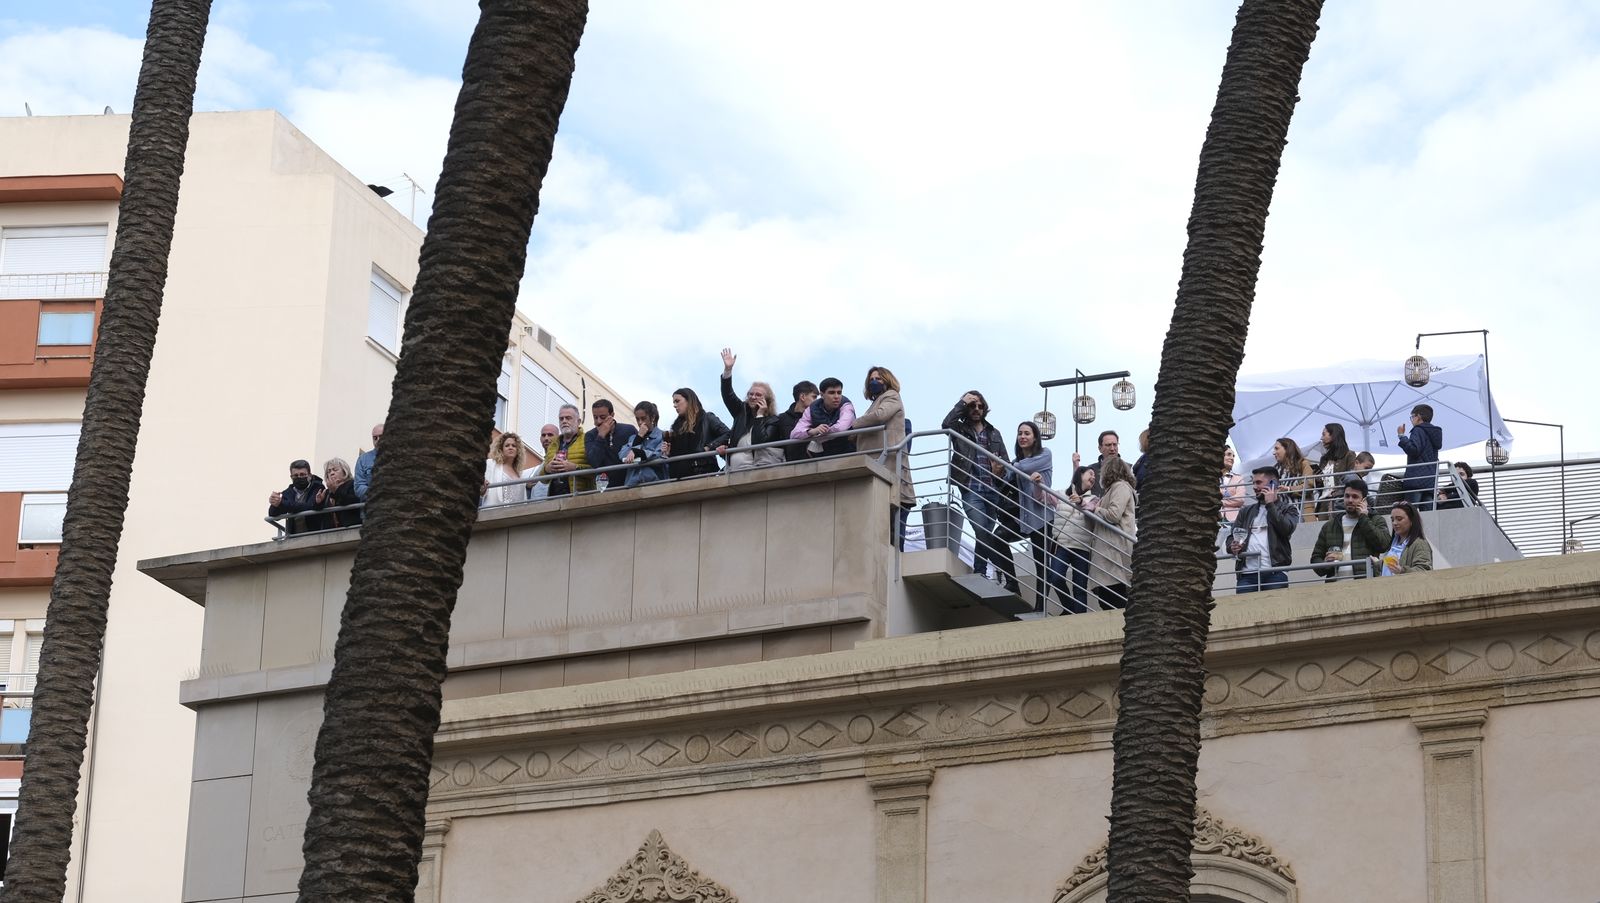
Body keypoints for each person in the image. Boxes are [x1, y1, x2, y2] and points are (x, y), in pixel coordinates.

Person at [941, 390, 1016, 591]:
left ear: (984, 408)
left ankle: (980, 570)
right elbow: (945, 424)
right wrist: (961, 402)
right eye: (971, 405)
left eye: (979, 405)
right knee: (982, 531)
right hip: (971, 488)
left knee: (984, 534)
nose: (975, 409)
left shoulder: (994, 433)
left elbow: (1007, 463)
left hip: (992, 491)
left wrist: (1001, 470)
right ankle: (1006, 572)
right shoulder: (959, 428)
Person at [851, 366, 915, 546]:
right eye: (872, 379)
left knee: (894, 536)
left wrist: (852, 426)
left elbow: (880, 416)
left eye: (879, 379)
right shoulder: (876, 401)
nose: (874, 382)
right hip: (881, 465)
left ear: (887, 380)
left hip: (890, 466)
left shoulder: (891, 396)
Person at [1225, 466, 1298, 593]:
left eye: (1258, 482)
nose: (1254, 487)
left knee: (1275, 610)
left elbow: (1286, 529)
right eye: (1253, 482)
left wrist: (1270, 505)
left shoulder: (1288, 509)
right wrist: (1232, 546)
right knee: (1244, 611)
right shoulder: (1245, 511)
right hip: (1247, 574)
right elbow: (1231, 537)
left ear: (1273, 484)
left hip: (1275, 573)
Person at [1010, 421, 1054, 612]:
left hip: (1043, 518)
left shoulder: (1045, 454)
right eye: (1020, 433)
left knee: (1042, 564)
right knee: (997, 539)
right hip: (1025, 519)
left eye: (1027, 433)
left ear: (1035, 437)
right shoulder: (1017, 463)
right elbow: (1005, 477)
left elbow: (1024, 468)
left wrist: (1011, 466)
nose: (1023, 437)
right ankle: (1012, 584)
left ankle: (1040, 607)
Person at [1310, 478, 1390, 582]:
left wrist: (1364, 518)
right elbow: (1315, 559)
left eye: (1355, 497)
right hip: (1335, 588)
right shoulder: (1330, 526)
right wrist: (1326, 564)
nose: (1350, 500)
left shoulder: (1376, 520)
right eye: (1347, 496)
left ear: (1364, 501)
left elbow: (1384, 545)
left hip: (1366, 584)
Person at [717, 348, 783, 472]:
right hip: (736, 469)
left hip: (760, 470)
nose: (753, 397)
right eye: (750, 394)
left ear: (767, 400)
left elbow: (758, 442)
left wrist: (760, 416)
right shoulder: (741, 411)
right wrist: (728, 370)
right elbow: (728, 394)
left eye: (758, 395)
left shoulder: (773, 420)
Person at [1088, 453, 1137, 609]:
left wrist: (1096, 509)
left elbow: (1114, 515)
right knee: (1108, 598)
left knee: (1113, 598)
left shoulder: (1120, 486)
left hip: (1114, 551)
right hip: (1110, 551)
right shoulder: (1113, 489)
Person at [1049, 466, 1097, 614]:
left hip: (1082, 548)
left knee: (1080, 589)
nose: (1093, 477)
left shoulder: (1094, 499)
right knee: (1056, 578)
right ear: (1080, 475)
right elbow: (1040, 496)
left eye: (1094, 476)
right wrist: (1037, 482)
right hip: (1062, 545)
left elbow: (1092, 511)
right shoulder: (1061, 494)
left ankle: (1080, 620)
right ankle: (1069, 609)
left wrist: (1080, 501)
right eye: (1090, 473)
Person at [665, 387, 730, 479]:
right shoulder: (676, 428)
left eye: (677, 401)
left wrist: (709, 447)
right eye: (674, 402)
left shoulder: (707, 418)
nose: (675, 405)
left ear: (689, 400)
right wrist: (668, 452)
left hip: (702, 472)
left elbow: (728, 434)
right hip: (679, 476)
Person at [789, 377, 857, 458]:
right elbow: (794, 434)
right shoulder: (811, 409)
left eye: (839, 392)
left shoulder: (846, 405)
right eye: (831, 393)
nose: (836, 396)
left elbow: (841, 427)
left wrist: (819, 437)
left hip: (847, 453)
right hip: (824, 457)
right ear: (822, 395)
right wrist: (812, 431)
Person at [585, 398, 638, 491]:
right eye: (595, 417)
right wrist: (600, 436)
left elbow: (640, 451)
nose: (598, 421)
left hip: (629, 485)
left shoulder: (629, 430)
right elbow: (593, 462)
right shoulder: (590, 435)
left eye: (602, 417)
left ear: (612, 415)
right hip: (604, 489)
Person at [1398, 403, 1443, 510]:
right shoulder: (1435, 433)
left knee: (1409, 512)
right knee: (1427, 515)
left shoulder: (1418, 430)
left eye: (1412, 416)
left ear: (1418, 417)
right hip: (1430, 481)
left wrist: (1401, 436)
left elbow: (1413, 450)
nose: (1411, 420)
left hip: (1416, 480)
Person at [543, 404, 593, 496]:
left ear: (578, 421)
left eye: (568, 418)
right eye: (561, 419)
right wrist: (547, 469)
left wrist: (575, 468)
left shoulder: (588, 440)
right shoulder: (553, 444)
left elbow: (597, 471)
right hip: (553, 499)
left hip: (579, 499)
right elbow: (543, 480)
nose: (564, 421)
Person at [1375, 500, 1434, 576]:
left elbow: (1424, 570)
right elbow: (1392, 567)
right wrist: (1378, 563)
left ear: (1412, 520)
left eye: (1399, 519)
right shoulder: (1393, 544)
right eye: (1392, 520)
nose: (1395, 523)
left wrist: (1402, 571)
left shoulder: (1420, 544)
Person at [268, 459, 327, 535]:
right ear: (291, 477)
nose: (299, 477)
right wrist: (274, 503)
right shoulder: (287, 493)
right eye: (295, 475)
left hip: (316, 535)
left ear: (309, 475)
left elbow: (309, 506)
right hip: (294, 537)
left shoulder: (318, 487)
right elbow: (273, 514)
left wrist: (283, 504)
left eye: (302, 474)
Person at [1314, 423, 1358, 517]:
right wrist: (1317, 479)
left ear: (1333, 435)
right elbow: (1320, 486)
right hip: (1323, 502)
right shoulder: (1324, 459)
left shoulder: (1349, 455)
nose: (1321, 438)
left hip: (1339, 502)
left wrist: (1338, 492)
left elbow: (1352, 479)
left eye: (1324, 434)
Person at [621, 402, 669, 487]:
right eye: (637, 419)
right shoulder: (633, 438)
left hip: (656, 484)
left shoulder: (662, 436)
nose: (640, 423)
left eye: (643, 419)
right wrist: (639, 438)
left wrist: (636, 452)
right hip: (632, 484)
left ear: (653, 417)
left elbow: (658, 455)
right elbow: (623, 456)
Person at [1271, 437, 1317, 522]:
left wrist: (1288, 489)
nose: (1274, 453)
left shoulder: (1303, 464)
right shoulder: (1274, 470)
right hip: (1281, 515)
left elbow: (1308, 486)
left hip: (1302, 513)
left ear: (1287, 449)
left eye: (1277, 449)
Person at [773, 380, 820, 463]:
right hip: (788, 468)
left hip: (815, 465)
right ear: (802, 397)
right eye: (814, 397)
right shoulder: (781, 419)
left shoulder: (818, 417)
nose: (817, 401)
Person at [483, 432, 533, 507]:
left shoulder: (519, 474)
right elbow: (482, 487)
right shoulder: (491, 464)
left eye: (514, 446)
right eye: (507, 445)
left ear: (517, 450)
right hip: (493, 512)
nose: (510, 447)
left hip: (514, 515)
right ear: (501, 449)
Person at [317, 457, 362, 528]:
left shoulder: (353, 484)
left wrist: (336, 490)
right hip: (330, 531)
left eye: (335, 470)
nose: (331, 473)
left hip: (351, 528)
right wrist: (318, 503)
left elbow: (351, 501)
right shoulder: (327, 491)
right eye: (329, 471)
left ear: (344, 471)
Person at [523, 423, 558, 500]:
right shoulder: (540, 466)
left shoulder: (561, 458)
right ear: (540, 439)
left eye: (550, 435)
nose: (546, 438)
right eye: (543, 435)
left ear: (558, 438)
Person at [353, 423, 382, 500]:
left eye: (381, 436)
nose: (378, 440)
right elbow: (359, 487)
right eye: (375, 438)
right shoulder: (363, 459)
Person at [1220, 446, 1247, 522]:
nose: (1232, 458)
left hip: (1234, 519)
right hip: (1212, 518)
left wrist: (1219, 501)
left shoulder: (1239, 478)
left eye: (1233, 456)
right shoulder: (1210, 477)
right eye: (1228, 454)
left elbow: (1240, 499)